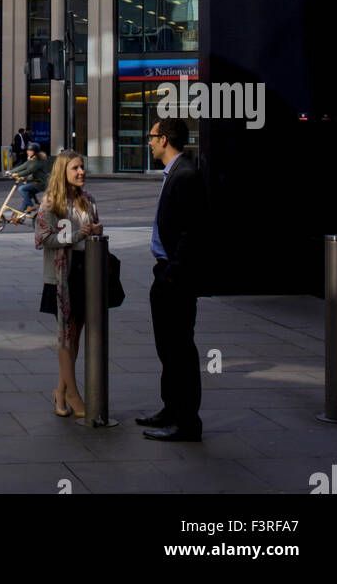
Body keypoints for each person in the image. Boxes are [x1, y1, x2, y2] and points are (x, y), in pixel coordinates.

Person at [137, 116, 207, 442]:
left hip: (174, 277)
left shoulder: (185, 176)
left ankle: (186, 421)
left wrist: (172, 273)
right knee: (167, 347)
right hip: (165, 272)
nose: (148, 142)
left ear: (165, 139)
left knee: (180, 349)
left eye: (151, 136)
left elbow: (192, 232)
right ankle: (170, 408)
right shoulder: (175, 173)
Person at [35, 150, 101, 418]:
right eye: (75, 168)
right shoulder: (51, 203)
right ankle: (73, 394)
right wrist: (77, 235)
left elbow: (94, 230)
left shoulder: (88, 200)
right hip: (61, 277)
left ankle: (60, 391)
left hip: (87, 274)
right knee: (66, 335)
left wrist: (96, 230)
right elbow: (43, 239)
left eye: (82, 167)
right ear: (63, 172)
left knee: (76, 336)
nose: (81, 172)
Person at [8, 142, 50, 214]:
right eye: (28, 150)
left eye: (30, 150)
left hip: (40, 183)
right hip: (36, 182)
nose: (28, 152)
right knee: (26, 197)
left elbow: (29, 171)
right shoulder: (32, 160)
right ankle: (21, 214)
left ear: (35, 152)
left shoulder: (37, 162)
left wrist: (17, 174)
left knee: (22, 189)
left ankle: (31, 206)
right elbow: (23, 166)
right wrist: (11, 171)